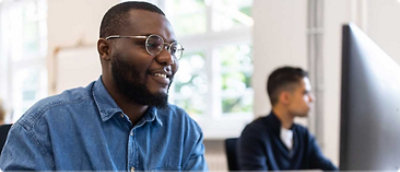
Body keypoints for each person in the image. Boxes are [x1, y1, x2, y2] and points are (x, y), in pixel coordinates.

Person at [0, 2, 207, 171]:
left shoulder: (183, 129)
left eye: (172, 48)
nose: (167, 58)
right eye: (152, 44)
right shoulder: (43, 126)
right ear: (105, 49)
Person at [238, 66, 337, 170]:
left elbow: (330, 168)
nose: (312, 99)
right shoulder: (254, 135)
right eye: (305, 93)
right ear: (285, 98)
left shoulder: (303, 135)